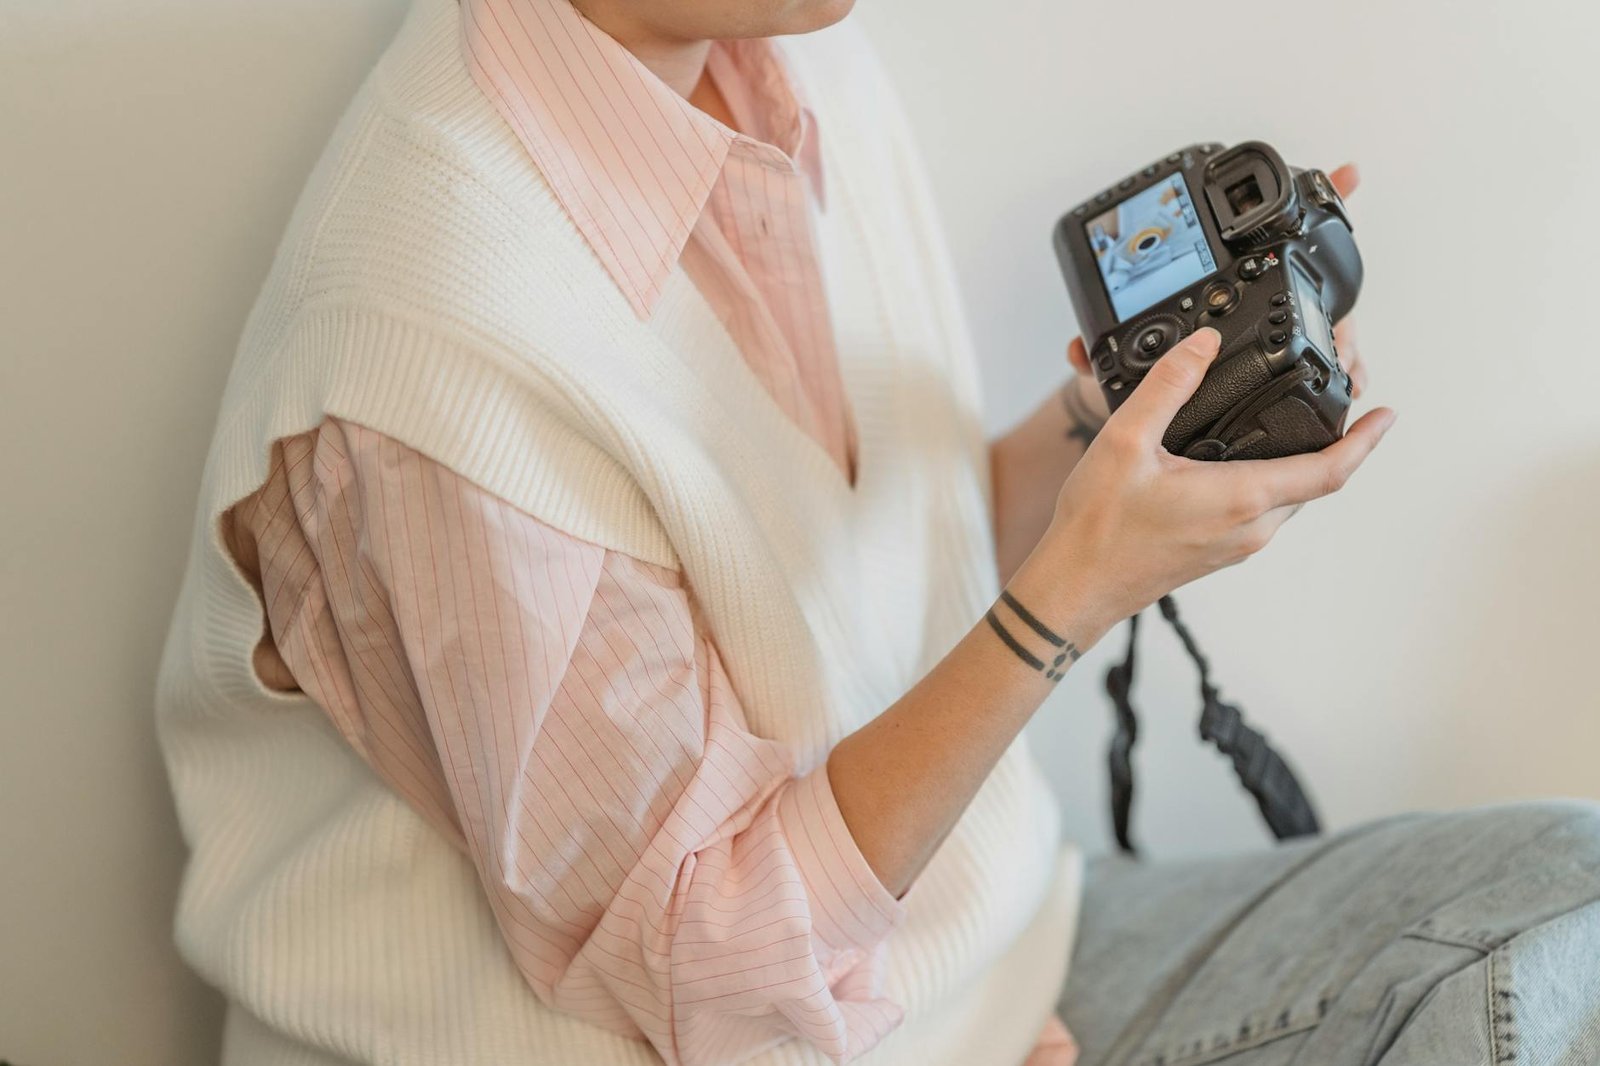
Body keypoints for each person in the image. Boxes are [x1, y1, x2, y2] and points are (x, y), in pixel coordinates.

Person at [153, 0, 1600, 1062]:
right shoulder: (433, 348)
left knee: (1567, 899)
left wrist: (1106, 445)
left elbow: (819, 592)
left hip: (977, 955)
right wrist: (1068, 603)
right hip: (740, 1032)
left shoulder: (794, 47)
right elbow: (708, 975)